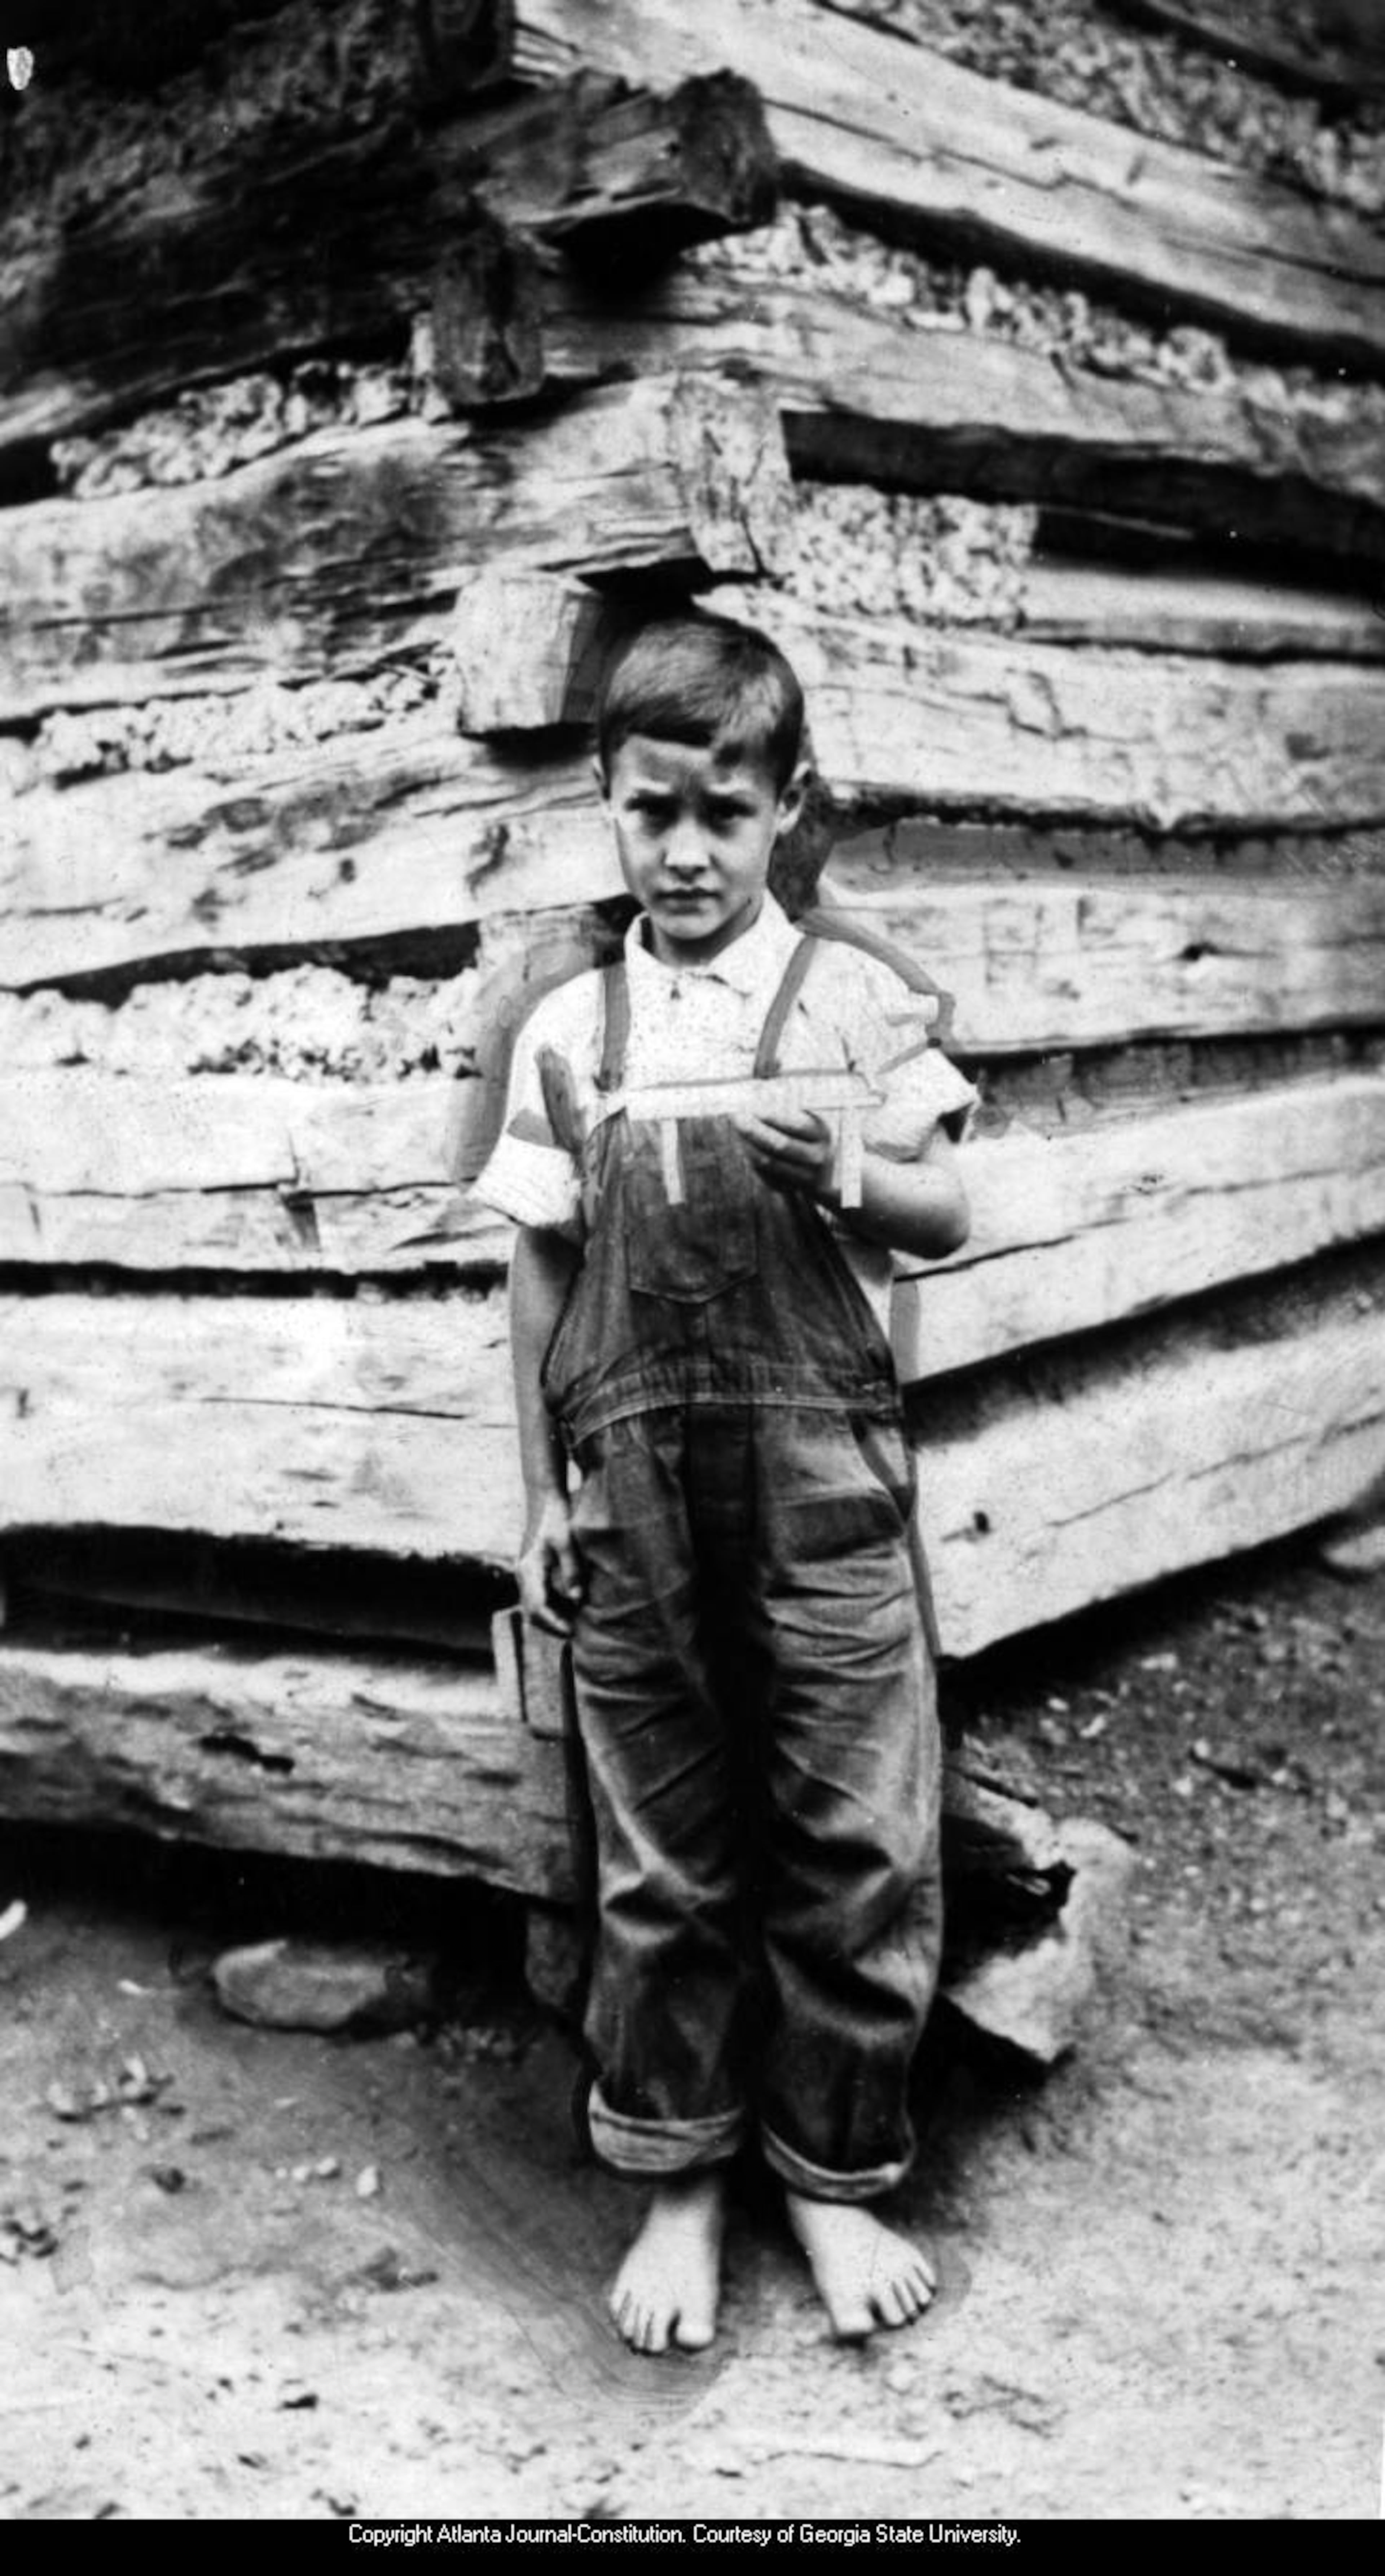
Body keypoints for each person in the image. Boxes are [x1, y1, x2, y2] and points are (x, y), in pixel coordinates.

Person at [473, 613, 975, 2354]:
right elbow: (538, 1278)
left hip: (826, 1483)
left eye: (727, 813)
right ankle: (681, 2178)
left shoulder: (848, 1001)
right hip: (630, 1503)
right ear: (607, 806)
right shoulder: (571, 1028)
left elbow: (947, 1214)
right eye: (650, 810)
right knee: (663, 1852)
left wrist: (855, 1164)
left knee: (855, 1834)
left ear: (789, 809)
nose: (685, 851)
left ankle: (836, 2178)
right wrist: (540, 1496)